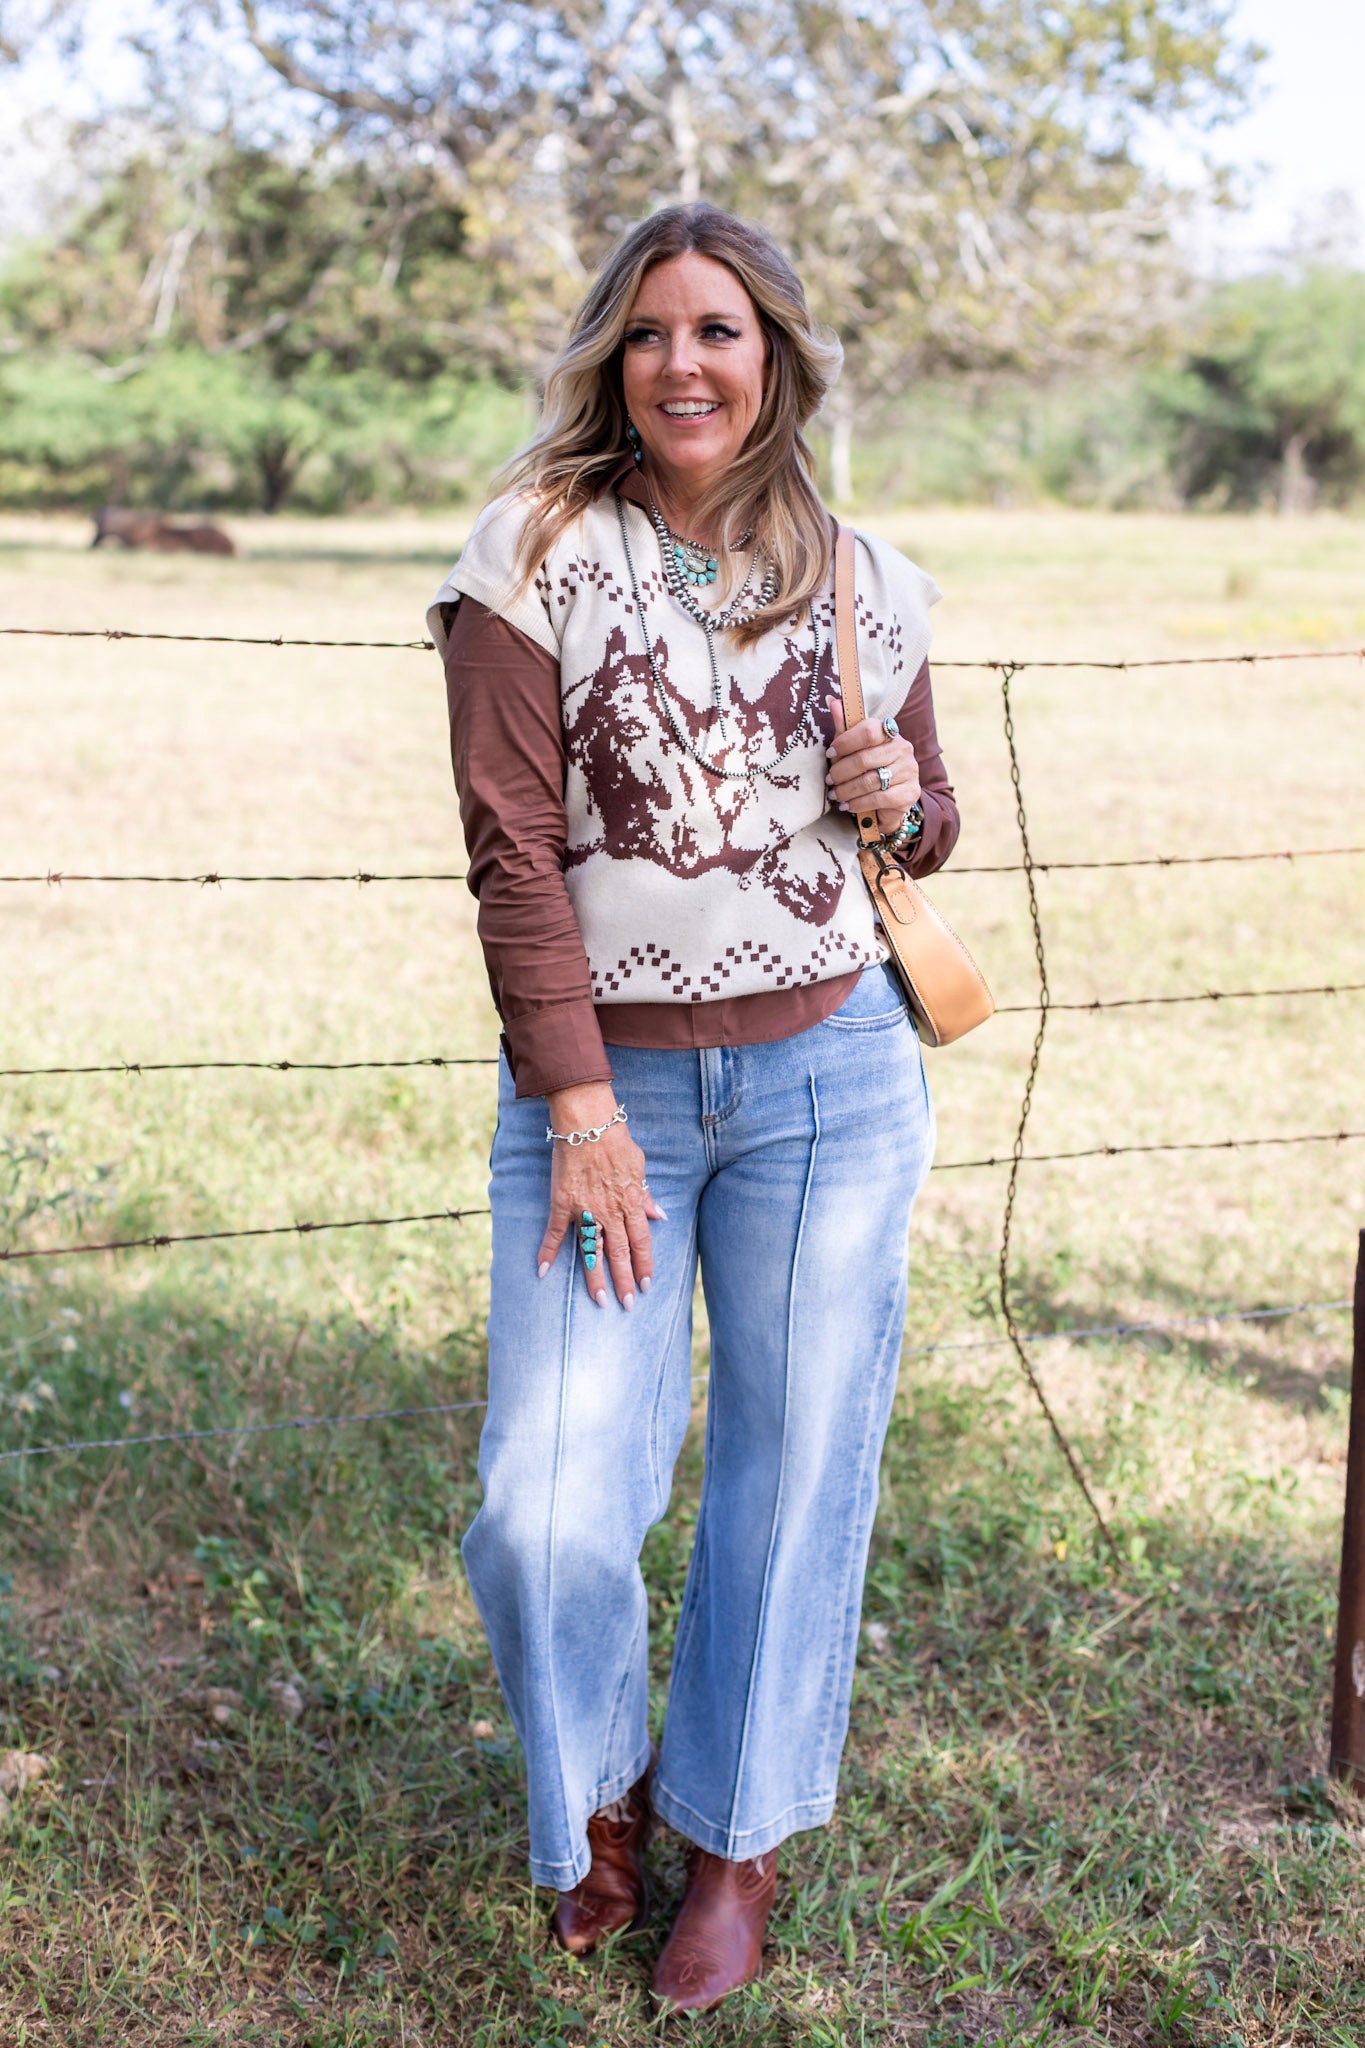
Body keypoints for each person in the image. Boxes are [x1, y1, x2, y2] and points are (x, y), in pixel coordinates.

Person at [427, 202, 959, 2016]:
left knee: (794, 1475)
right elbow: (512, 853)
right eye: (649, 331)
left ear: (775, 358)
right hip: (612, 1097)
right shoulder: (532, 553)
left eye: (718, 330)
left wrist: (897, 795)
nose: (682, 363)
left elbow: (927, 822)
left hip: (831, 1081)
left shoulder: (865, 574)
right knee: (548, 1503)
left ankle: (734, 1840)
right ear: (611, 357)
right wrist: (577, 1101)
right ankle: (597, 1792)